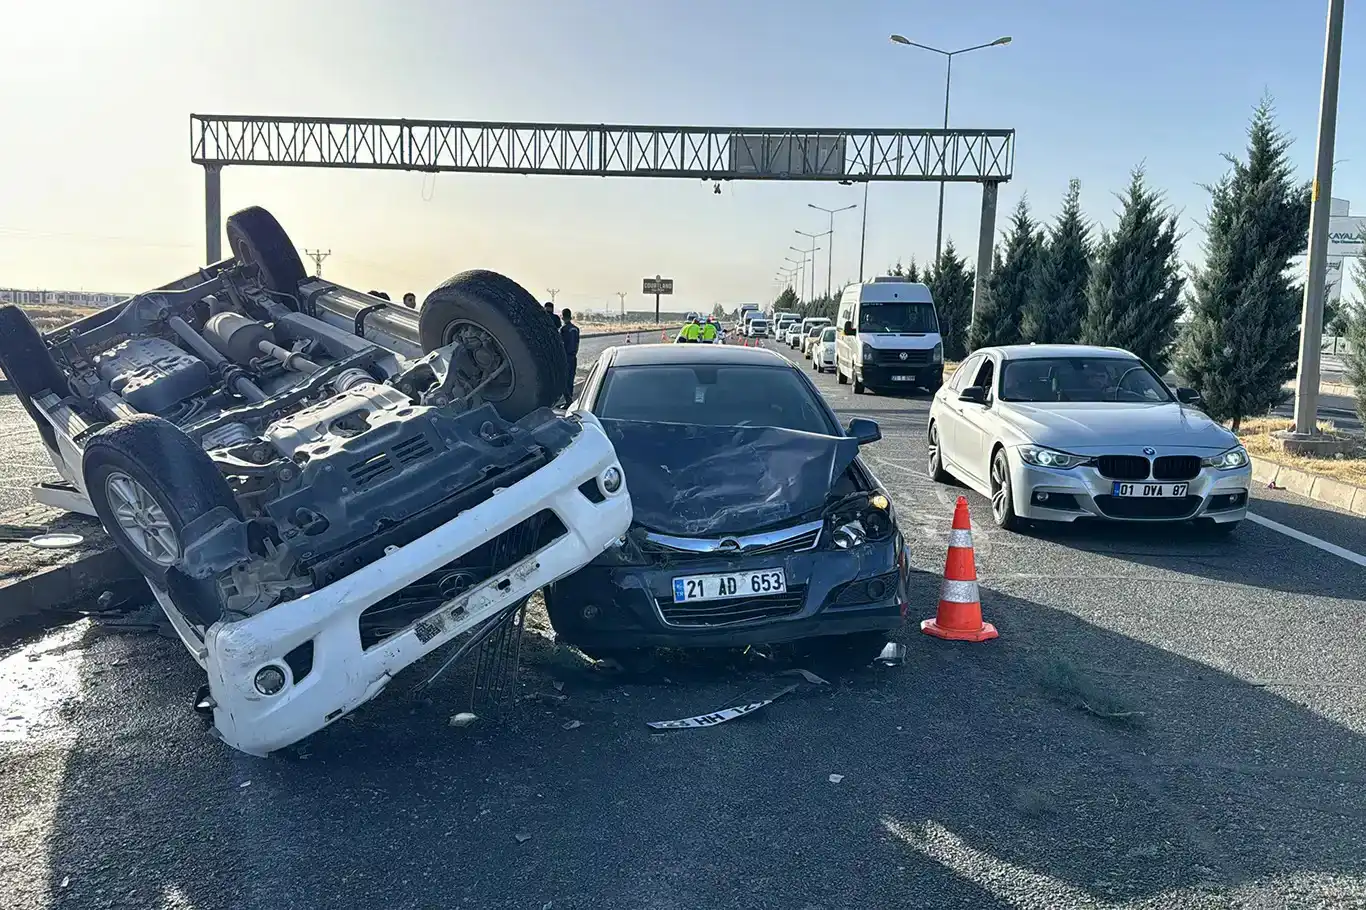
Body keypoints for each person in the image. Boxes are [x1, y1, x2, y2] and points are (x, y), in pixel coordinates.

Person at [559, 308, 580, 406]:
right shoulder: (576, 329)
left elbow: (560, 344)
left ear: (563, 317)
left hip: (566, 357)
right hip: (573, 356)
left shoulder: (563, 329)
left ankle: (568, 401)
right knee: (571, 378)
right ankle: (570, 401)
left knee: (564, 380)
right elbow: (577, 342)